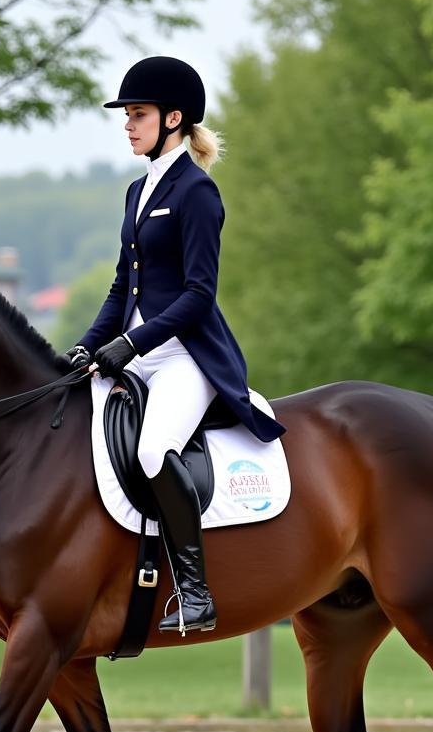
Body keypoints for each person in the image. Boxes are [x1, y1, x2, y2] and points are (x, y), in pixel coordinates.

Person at [66, 55, 285, 637]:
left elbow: (197, 296)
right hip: (137, 350)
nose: (128, 125)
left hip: (186, 354)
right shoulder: (138, 191)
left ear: (173, 118)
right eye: (128, 115)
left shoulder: (196, 192)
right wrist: (88, 347)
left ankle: (195, 591)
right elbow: (122, 287)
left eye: (137, 114)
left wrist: (131, 344)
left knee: (152, 449)